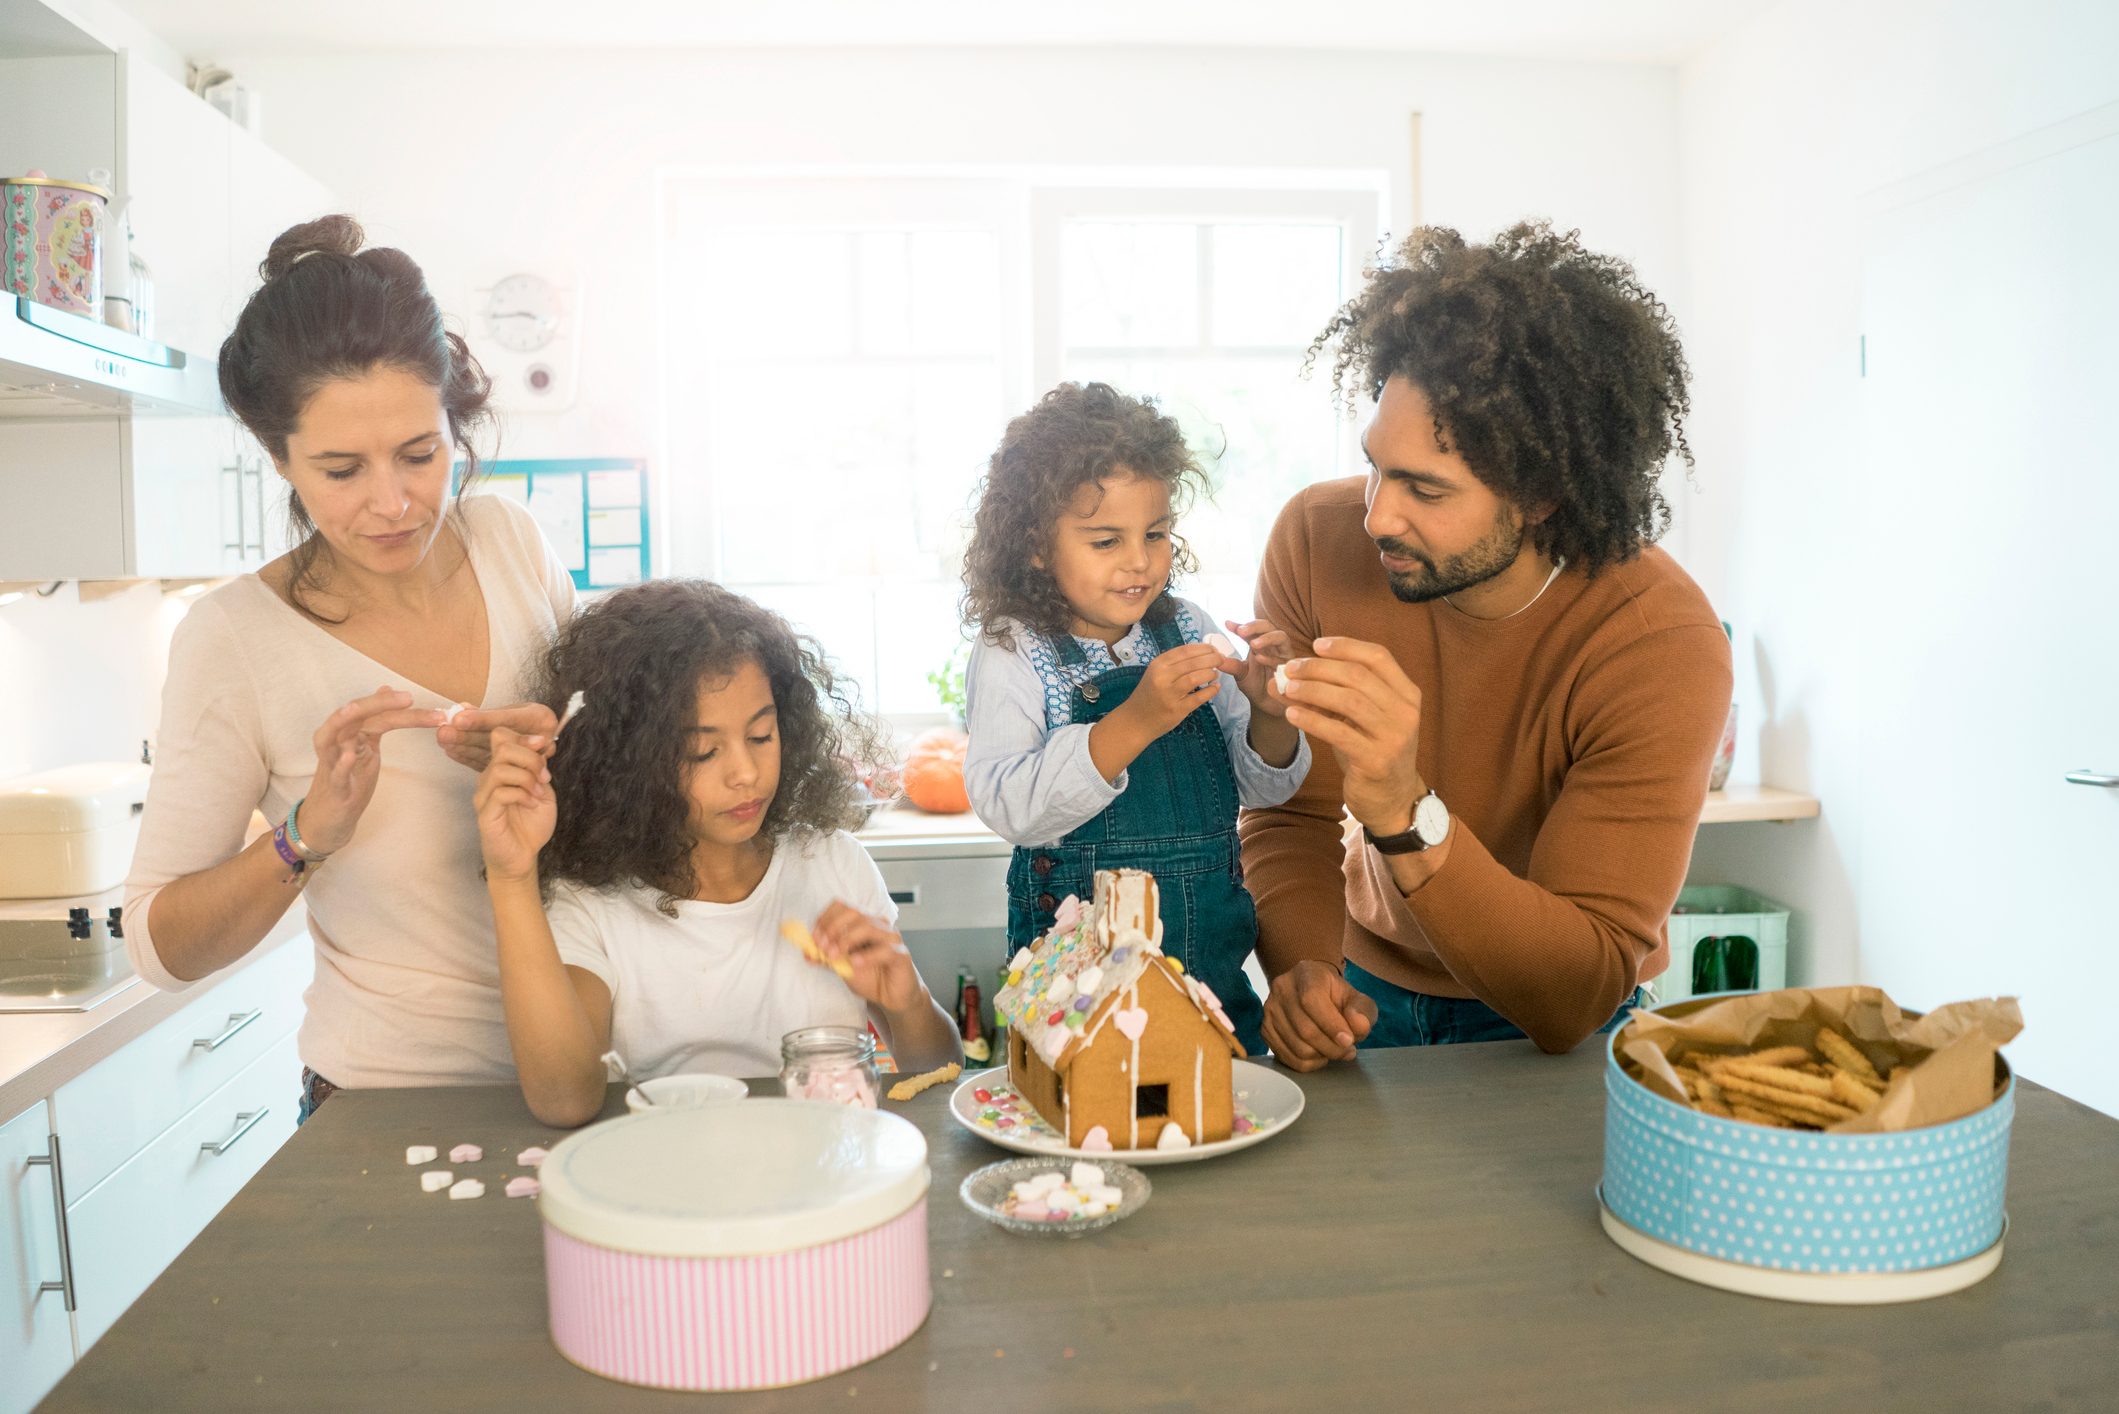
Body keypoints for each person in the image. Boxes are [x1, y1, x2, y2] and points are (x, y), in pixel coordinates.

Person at [1243, 220, 1733, 1067]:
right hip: (1361, 991)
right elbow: (1292, 809)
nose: (1375, 516)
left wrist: (1400, 806)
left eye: (1424, 490)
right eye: (1375, 466)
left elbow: (1571, 992)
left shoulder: (1658, 642)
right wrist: (1304, 972)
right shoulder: (1316, 540)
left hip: (1552, 1025)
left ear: (1541, 495)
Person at [123, 216, 576, 1120]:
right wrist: (305, 836)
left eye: (420, 453)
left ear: (455, 422)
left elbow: (616, 795)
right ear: (277, 458)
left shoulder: (511, 542)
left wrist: (561, 756)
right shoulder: (233, 639)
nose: (395, 502)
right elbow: (160, 947)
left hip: (588, 1062)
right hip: (387, 1099)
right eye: (341, 470)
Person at [474, 580, 960, 1128]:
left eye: (761, 736)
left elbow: (939, 1070)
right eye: (701, 751)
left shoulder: (833, 864)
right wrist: (511, 878)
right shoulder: (593, 905)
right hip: (676, 1185)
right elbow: (565, 1100)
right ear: (630, 763)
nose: (746, 774)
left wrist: (908, 1002)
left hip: (823, 1174)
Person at [959, 382, 1311, 1055]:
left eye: (1154, 533)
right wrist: (1136, 719)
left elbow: (1267, 789)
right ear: (1034, 546)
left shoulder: (1188, 628)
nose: (1139, 560)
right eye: (1104, 540)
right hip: (1079, 994)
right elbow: (1011, 807)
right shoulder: (1012, 650)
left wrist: (1271, 713)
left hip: (1206, 972)